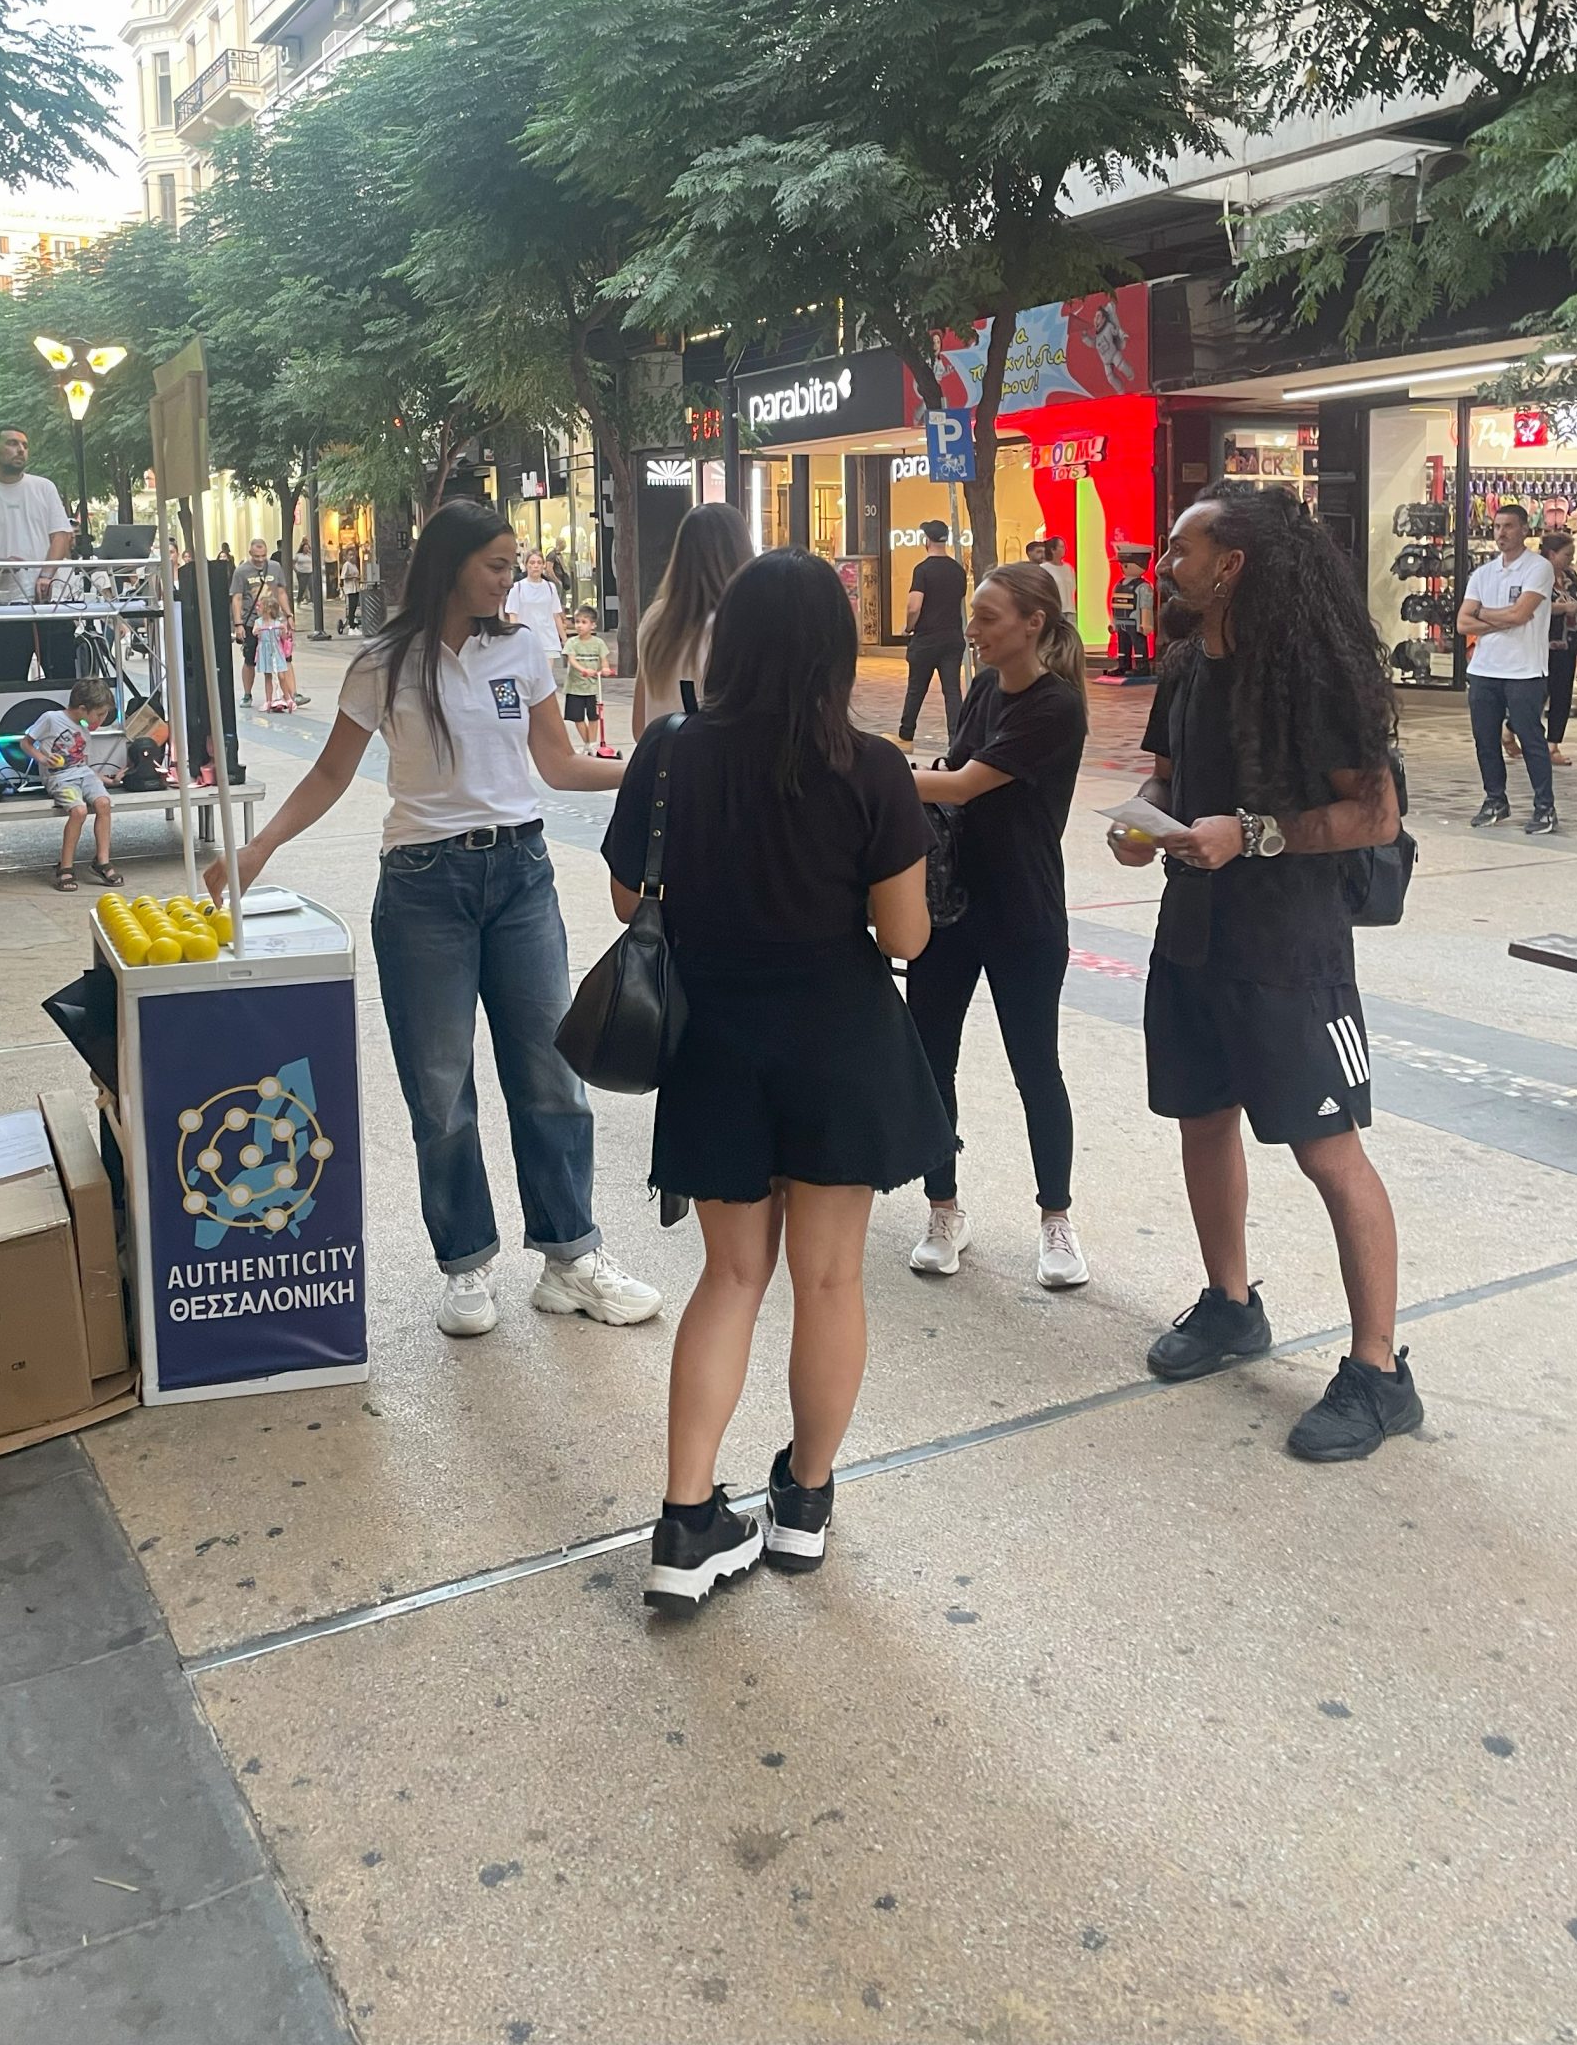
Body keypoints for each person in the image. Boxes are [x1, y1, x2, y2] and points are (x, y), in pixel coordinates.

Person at [211, 499, 661, 1337]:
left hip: (522, 877)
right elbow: (330, 773)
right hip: (423, 888)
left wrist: (655, 768)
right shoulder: (383, 662)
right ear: (451, 564)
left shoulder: (521, 650)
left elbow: (558, 764)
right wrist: (260, 846)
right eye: (497, 565)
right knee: (441, 1086)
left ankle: (570, 1257)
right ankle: (466, 1264)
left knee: (550, 1074)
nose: (510, 580)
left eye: (512, 565)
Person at [603, 549, 948, 1611]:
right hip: (839, 1039)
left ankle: (685, 1522)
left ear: (733, 642)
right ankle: (802, 1503)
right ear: (836, 653)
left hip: (714, 1041)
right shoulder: (874, 769)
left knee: (730, 1277)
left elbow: (628, 901)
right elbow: (907, 935)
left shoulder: (670, 752)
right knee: (829, 1280)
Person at [1108, 487, 1420, 1463]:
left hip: (1290, 950)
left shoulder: (1310, 674)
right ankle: (1231, 1303)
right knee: (1201, 1120)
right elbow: (1165, 777)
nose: (1165, 563)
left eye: (1180, 548)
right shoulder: (1185, 664)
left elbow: (1375, 815)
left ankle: (1379, 1373)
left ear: (1231, 563)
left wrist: (1249, 834)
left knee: (1328, 1151)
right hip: (1192, 936)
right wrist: (1143, 820)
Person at [907, 561, 1092, 1290]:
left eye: (986, 617)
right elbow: (952, 778)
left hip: (1024, 910)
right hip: (951, 904)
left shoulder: (1057, 707)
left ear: (1032, 624)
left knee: (1035, 1067)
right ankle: (942, 1209)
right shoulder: (985, 688)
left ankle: (1056, 1219)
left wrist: (869, 771)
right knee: (931, 1058)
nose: (971, 629)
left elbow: (961, 784)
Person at [1457, 502, 1557, 834]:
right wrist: (1502, 617)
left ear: (1524, 530)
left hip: (1524, 671)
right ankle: (1495, 800)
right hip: (1484, 669)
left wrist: (1483, 613)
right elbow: (1462, 622)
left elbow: (1521, 614)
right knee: (1485, 739)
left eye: (1509, 526)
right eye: (1497, 526)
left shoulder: (1538, 568)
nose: (1501, 533)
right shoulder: (1483, 573)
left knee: (1530, 739)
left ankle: (1544, 807)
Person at [0, 428, 75, 685]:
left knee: (63, 683)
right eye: (12, 443)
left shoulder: (44, 487)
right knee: (9, 687)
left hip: (50, 604)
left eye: (25, 445)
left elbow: (61, 535)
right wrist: (0, 564)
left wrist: (46, 575)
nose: (20, 449)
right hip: (4, 605)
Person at [633, 502, 754, 737]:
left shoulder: (654, 620)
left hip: (663, 756)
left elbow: (640, 728)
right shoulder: (734, 627)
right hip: (715, 758)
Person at [21, 676, 123, 891]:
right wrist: (42, 759)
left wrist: (107, 780)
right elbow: (26, 742)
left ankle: (102, 860)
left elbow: (83, 764)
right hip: (59, 777)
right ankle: (65, 866)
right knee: (79, 811)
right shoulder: (51, 718)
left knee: (104, 803)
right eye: (100, 714)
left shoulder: (85, 729)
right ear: (83, 708)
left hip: (83, 774)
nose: (102, 719)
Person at [896, 518, 967, 749]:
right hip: (952, 637)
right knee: (952, 691)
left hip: (926, 639)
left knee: (916, 690)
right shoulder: (958, 570)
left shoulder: (923, 570)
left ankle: (906, 736)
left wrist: (909, 627)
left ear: (926, 540)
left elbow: (914, 606)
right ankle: (956, 739)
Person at [1539, 530, 1577, 766]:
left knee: (1562, 695)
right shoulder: (1537, 576)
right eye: (1567, 554)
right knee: (1538, 693)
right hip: (1542, 643)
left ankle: (1553, 744)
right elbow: (1532, 607)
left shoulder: (1570, 576)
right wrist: (1564, 608)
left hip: (1568, 641)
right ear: (1551, 554)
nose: (1571, 559)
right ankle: (1511, 729)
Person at [229, 541, 289, 705]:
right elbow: (237, 598)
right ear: (250, 553)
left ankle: (289, 694)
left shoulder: (275, 567)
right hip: (252, 621)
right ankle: (247, 694)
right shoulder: (241, 571)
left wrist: (288, 615)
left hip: (274, 620)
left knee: (283, 657)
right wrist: (238, 624)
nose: (261, 559)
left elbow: (281, 592)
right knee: (250, 659)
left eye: (263, 556)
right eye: (257, 556)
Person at [561, 608, 616, 755]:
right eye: (577, 622)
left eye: (584, 622)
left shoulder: (598, 643)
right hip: (574, 687)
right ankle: (588, 744)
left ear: (593, 625)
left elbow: (604, 660)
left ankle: (591, 744)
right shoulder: (572, 642)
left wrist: (605, 669)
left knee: (594, 717)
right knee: (577, 718)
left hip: (593, 688)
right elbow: (572, 660)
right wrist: (583, 669)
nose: (579, 625)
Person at [1103, 552, 1156, 681]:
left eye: (1125, 564)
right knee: (1123, 645)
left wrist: (1146, 623)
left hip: (1135, 622)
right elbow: (1115, 605)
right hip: (1121, 622)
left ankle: (1142, 667)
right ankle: (1123, 665)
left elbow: (1146, 607)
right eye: (1121, 564)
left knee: (1139, 644)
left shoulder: (1143, 587)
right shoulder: (1119, 585)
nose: (1123, 567)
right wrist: (1113, 622)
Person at [504, 548, 565, 653]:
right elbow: (513, 616)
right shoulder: (517, 588)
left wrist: (564, 639)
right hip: (525, 641)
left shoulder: (550, 587)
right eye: (532, 563)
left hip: (549, 641)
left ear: (543, 565)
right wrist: (515, 638)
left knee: (547, 664)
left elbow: (556, 615)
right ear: (526, 565)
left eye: (539, 563)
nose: (535, 566)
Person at [253, 582, 297, 713]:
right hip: (265, 651)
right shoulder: (258, 622)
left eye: (260, 606)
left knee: (281, 675)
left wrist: (283, 630)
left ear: (267, 610)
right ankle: (268, 700)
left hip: (276, 651)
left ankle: (287, 698)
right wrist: (257, 631)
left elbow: (283, 637)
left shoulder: (277, 623)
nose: (257, 608)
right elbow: (255, 631)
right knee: (268, 676)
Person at [1040, 533, 1078, 619]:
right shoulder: (1044, 568)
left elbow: (1073, 587)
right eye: (1061, 547)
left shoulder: (1068, 568)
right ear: (1053, 550)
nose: (1065, 549)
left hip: (1070, 611)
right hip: (1054, 612)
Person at [340, 549, 363, 635]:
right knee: (351, 607)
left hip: (356, 587)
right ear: (347, 556)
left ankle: (354, 625)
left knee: (355, 607)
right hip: (350, 589)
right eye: (350, 555)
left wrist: (357, 578)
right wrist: (352, 577)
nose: (352, 556)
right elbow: (343, 577)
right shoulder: (347, 565)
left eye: (353, 554)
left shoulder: (354, 565)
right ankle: (351, 627)